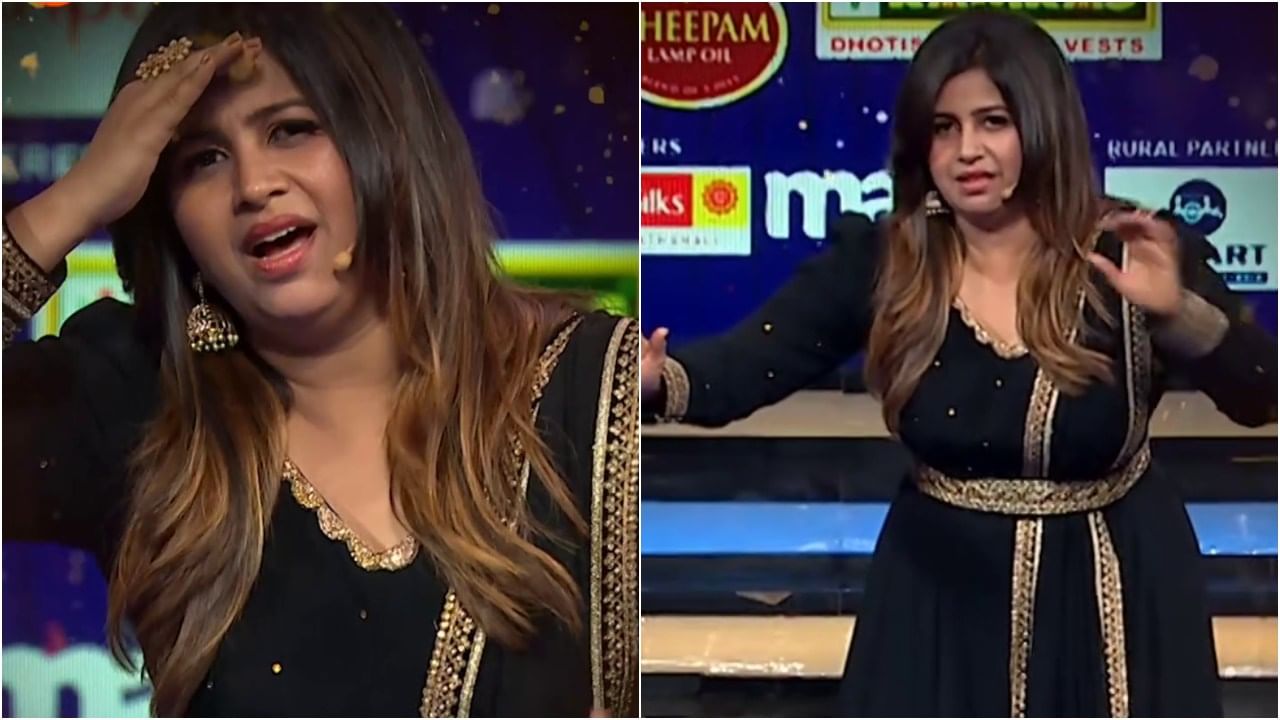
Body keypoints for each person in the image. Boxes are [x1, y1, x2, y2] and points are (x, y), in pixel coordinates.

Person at [3, 4, 637, 717]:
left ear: (388, 137)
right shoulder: (140, 405)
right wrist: (77, 197)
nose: (252, 186)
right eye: (202, 159)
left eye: (291, 129)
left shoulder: (582, 395)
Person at [641, 10, 1275, 718]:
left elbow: (1260, 394)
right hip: (938, 603)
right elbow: (746, 364)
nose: (967, 150)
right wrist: (655, 379)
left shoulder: (1134, 249)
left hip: (1116, 598)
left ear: (1043, 123)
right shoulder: (890, 259)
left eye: (993, 122)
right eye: (944, 128)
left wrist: (1176, 312)